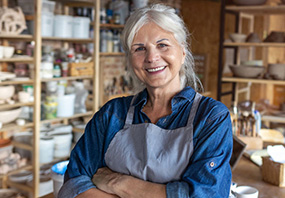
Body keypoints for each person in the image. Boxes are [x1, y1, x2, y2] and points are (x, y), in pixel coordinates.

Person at [58, 4, 233, 198]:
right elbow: (73, 184)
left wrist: (120, 183)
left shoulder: (210, 117)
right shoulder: (112, 114)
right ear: (130, 60)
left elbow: (207, 194)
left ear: (183, 52)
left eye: (162, 45)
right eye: (139, 48)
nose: (151, 57)